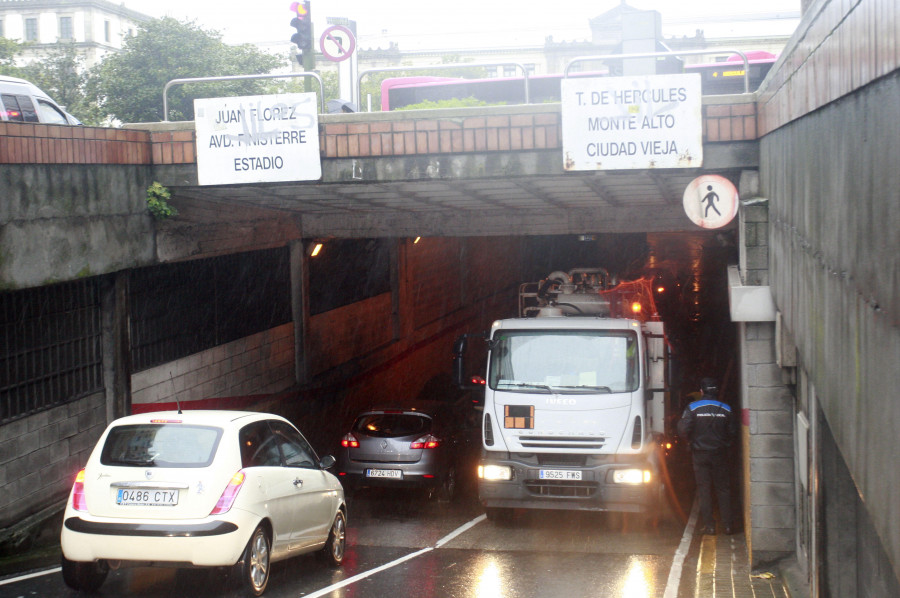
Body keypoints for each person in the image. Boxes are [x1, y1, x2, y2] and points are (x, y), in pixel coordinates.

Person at [677, 377, 737, 535]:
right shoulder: (726, 409)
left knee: (704, 490)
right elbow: (733, 432)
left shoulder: (693, 408)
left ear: (702, 391)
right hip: (720, 454)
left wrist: (690, 442)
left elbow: (683, 430)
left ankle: (710, 526)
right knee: (723, 489)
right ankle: (728, 526)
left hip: (700, 454)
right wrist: (725, 445)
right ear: (716, 391)